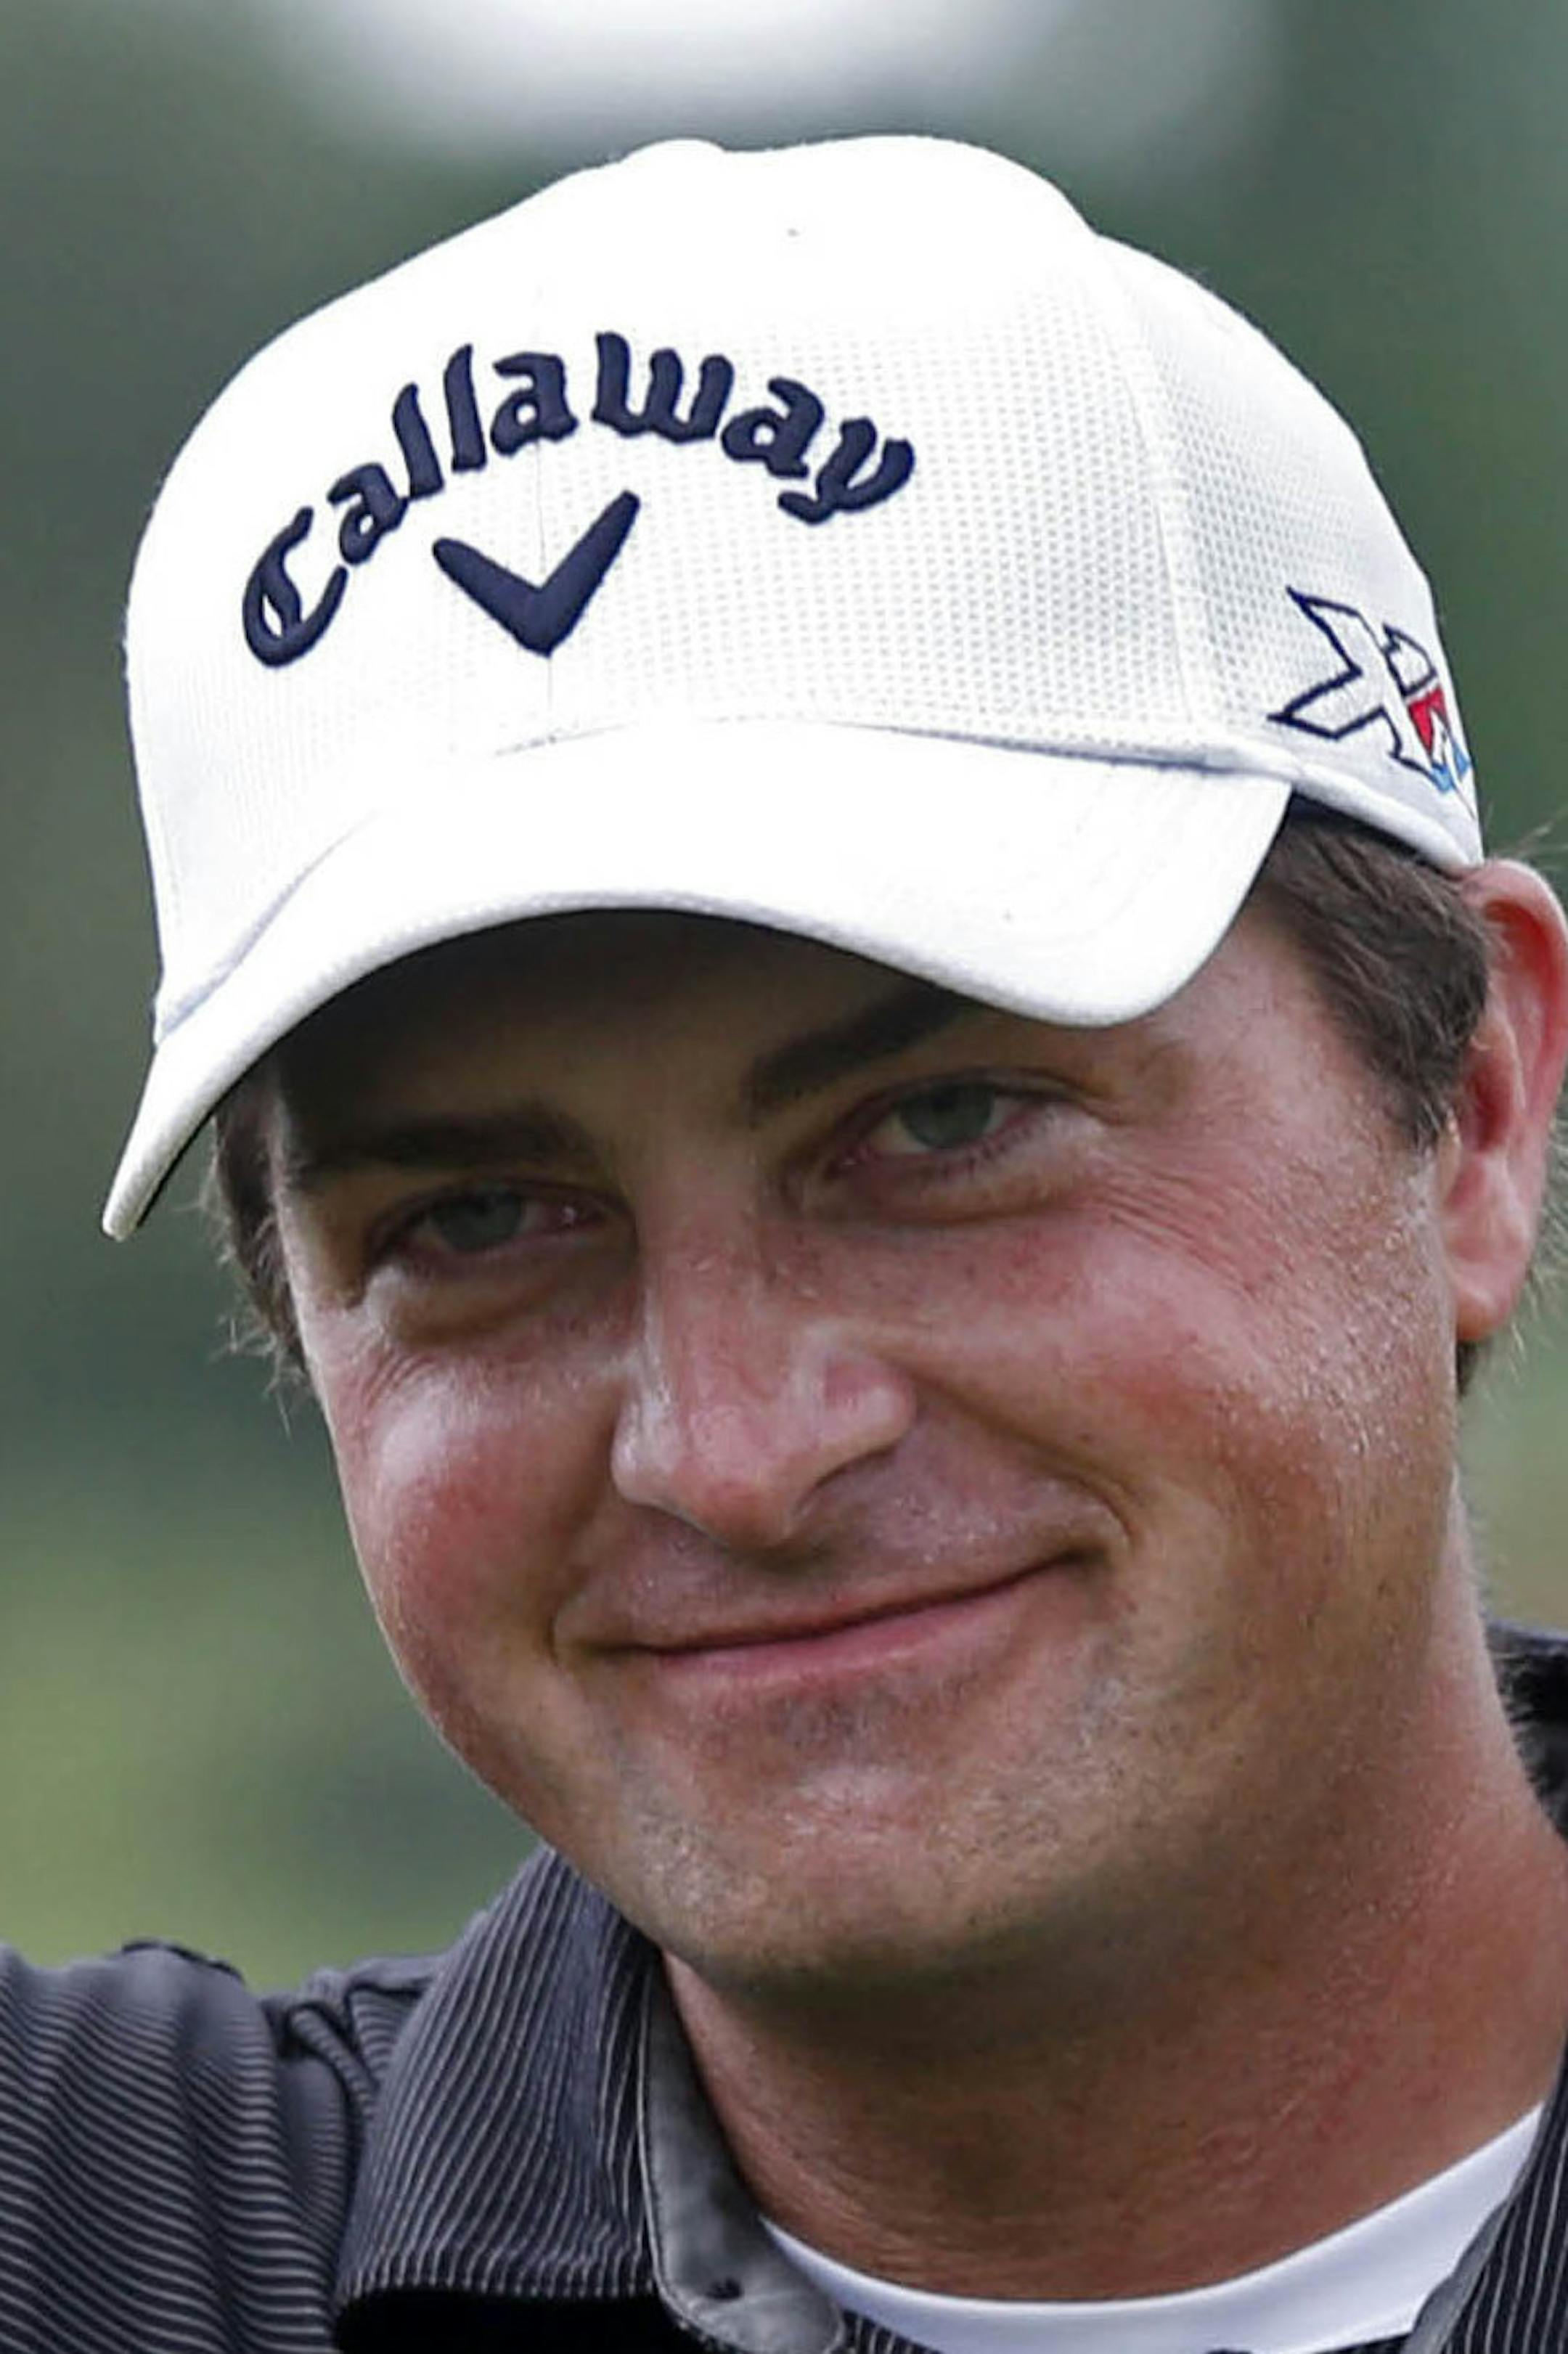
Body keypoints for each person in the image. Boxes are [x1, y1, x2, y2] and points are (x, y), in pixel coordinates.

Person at [78, 133, 1568, 2353]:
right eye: (483, 1216)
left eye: (943, 1122)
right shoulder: (100, 2231)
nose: (740, 1450)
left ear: (1471, 1112)